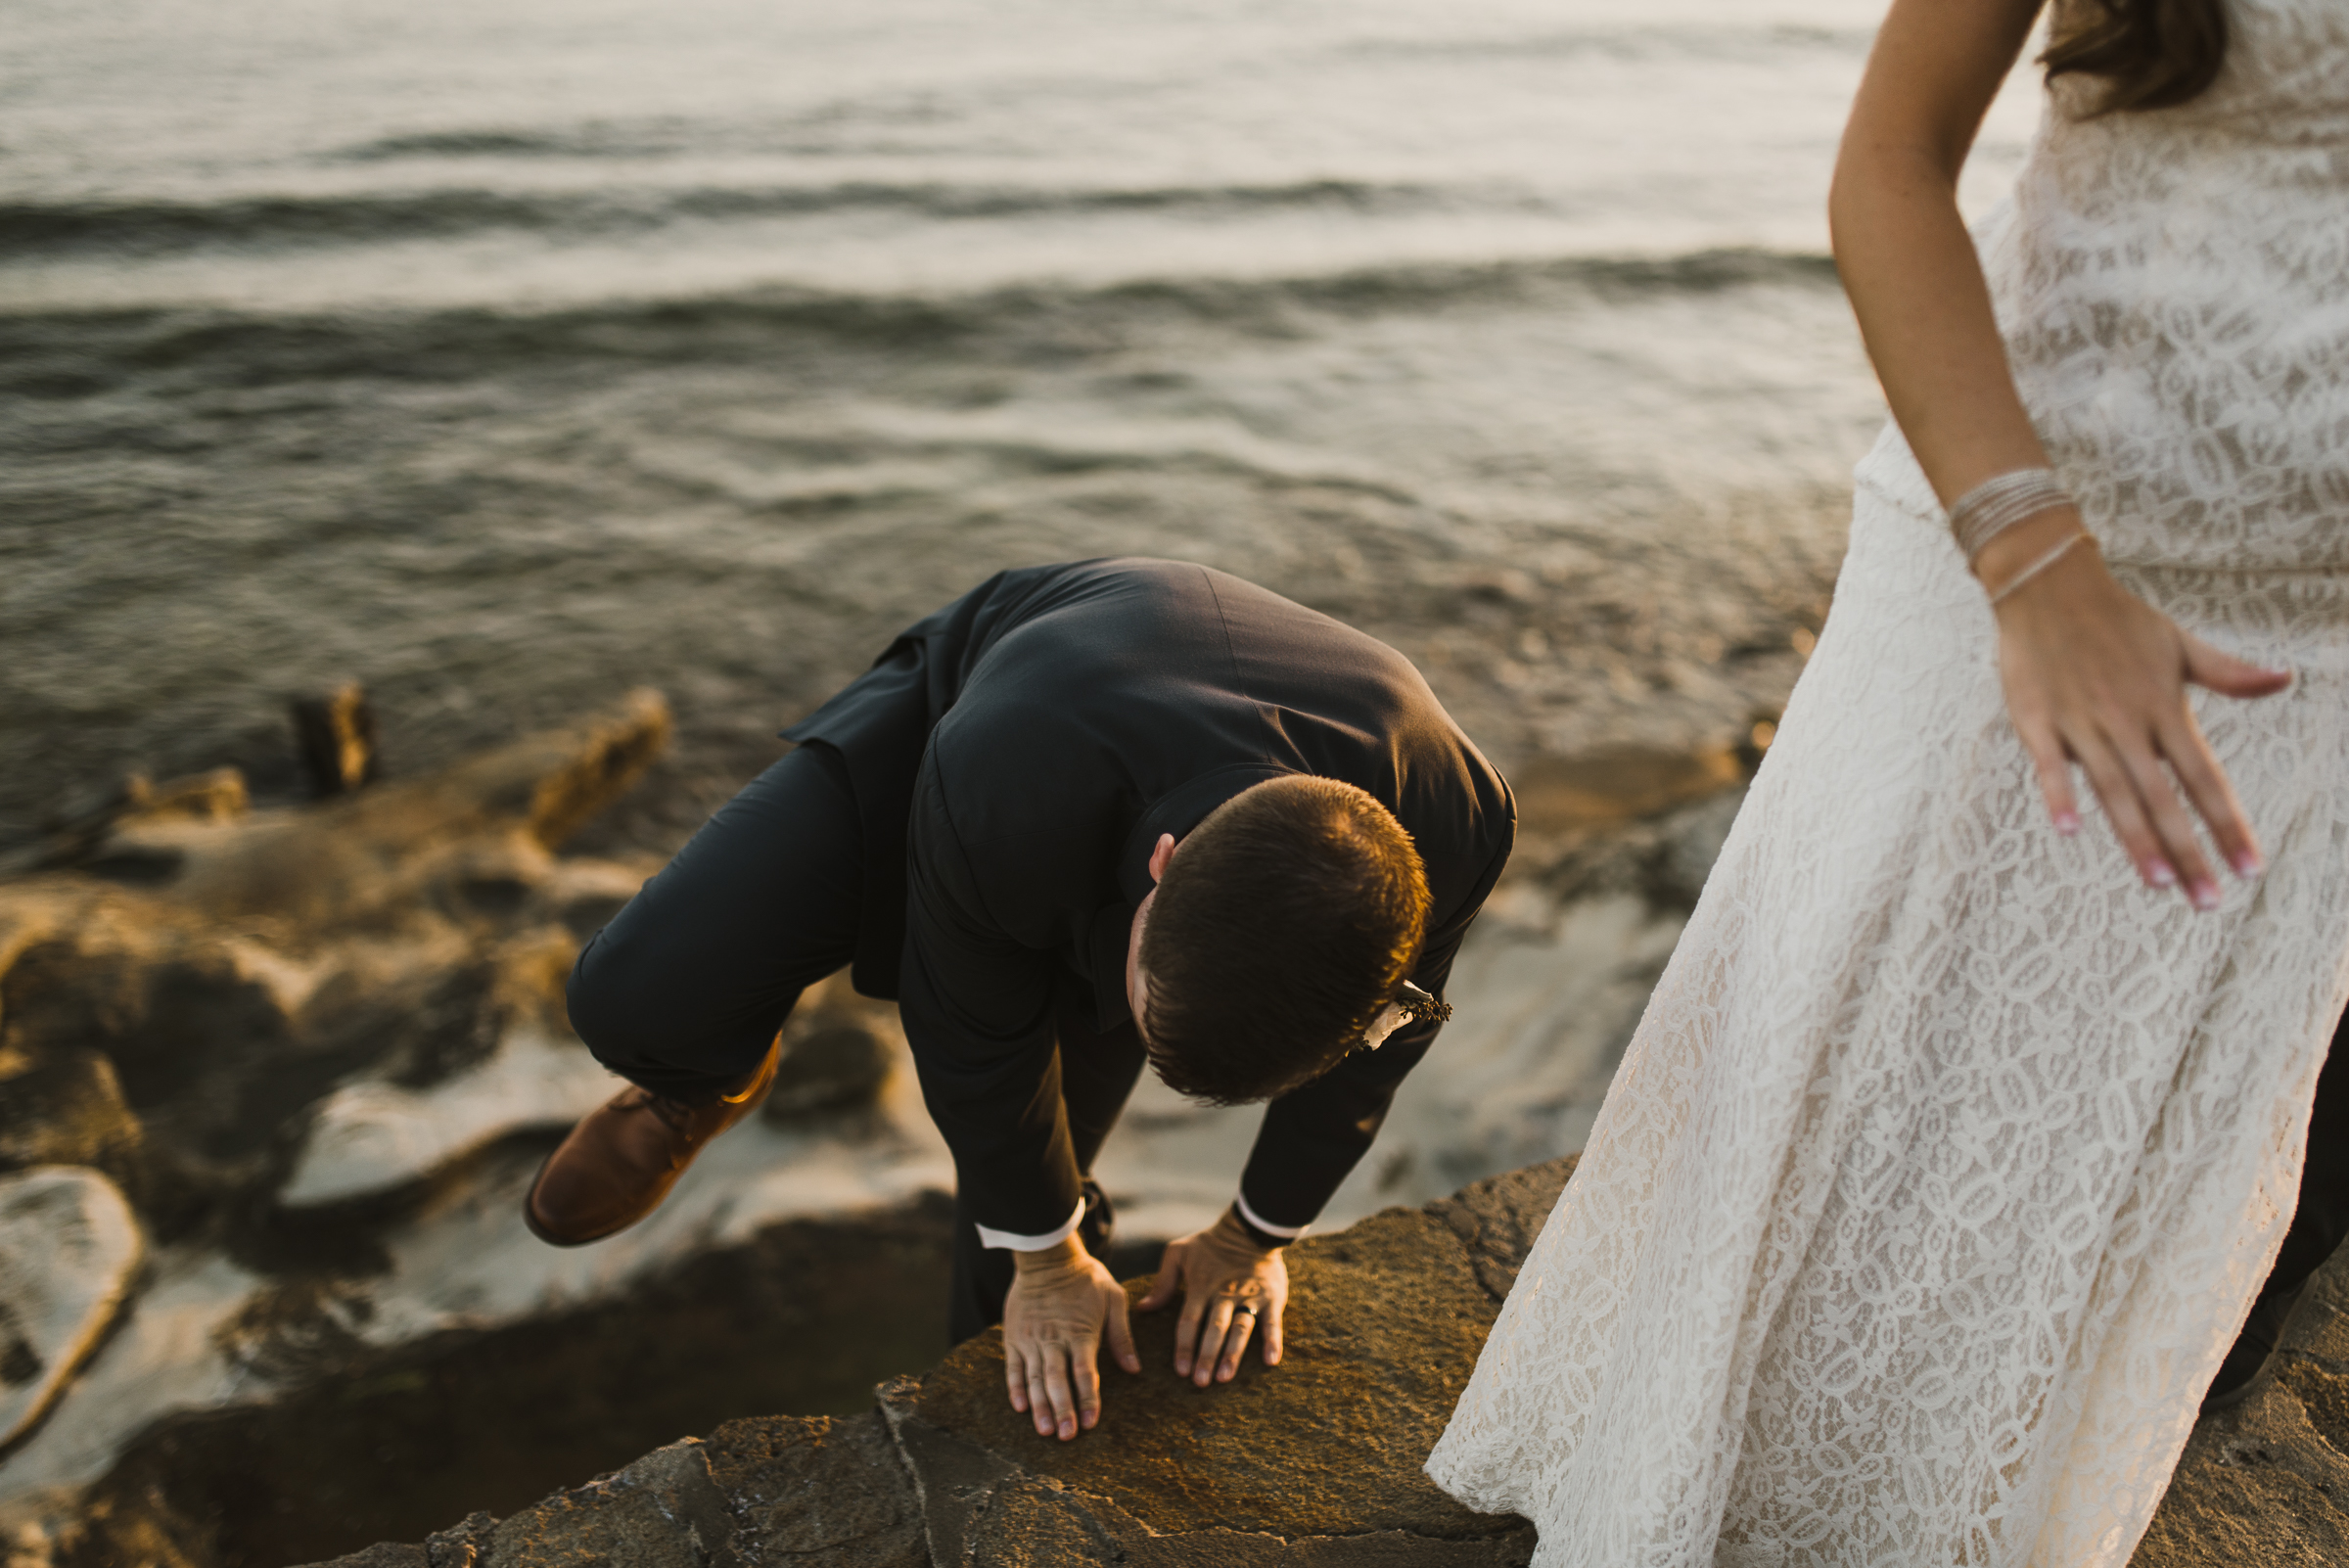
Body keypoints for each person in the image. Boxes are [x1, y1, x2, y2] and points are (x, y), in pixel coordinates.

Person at [1426, 0, 2349, 1562]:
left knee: (2110, 1141)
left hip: (2318, 650)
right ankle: (1665, 1500)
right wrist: (2033, 564)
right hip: (2017, 560)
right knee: (1851, 1064)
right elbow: (1887, 164)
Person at [529, 557, 1514, 1442]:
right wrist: (1051, 1258)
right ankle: (707, 1084)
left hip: (1121, 787)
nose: (1111, 1024)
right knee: (629, 1001)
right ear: (1160, 875)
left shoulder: (1457, 823)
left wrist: (1252, 1236)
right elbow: (968, 1035)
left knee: (1017, 1260)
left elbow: (1377, 1044)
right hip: (970, 718)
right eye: (1133, 1004)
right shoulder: (1001, 774)